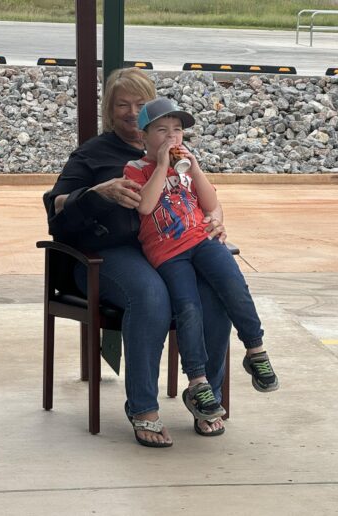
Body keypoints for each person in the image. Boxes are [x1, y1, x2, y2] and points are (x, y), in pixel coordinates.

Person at [46, 67, 232, 447]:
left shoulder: (174, 148)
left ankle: (205, 396)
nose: (132, 113)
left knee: (216, 291)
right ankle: (143, 408)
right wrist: (99, 192)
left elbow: (200, 196)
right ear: (109, 112)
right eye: (122, 106)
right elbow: (56, 205)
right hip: (109, 255)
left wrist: (217, 216)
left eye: (141, 104)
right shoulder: (93, 153)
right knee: (150, 296)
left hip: (172, 252)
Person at [124, 97, 279, 423]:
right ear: (144, 138)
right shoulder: (136, 169)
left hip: (203, 240)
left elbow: (210, 202)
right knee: (189, 308)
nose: (172, 137)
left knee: (234, 285)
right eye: (162, 130)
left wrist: (193, 167)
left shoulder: (187, 166)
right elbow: (145, 206)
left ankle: (255, 350)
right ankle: (198, 382)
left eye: (177, 130)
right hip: (168, 254)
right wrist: (163, 165)